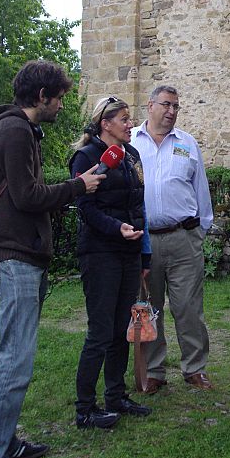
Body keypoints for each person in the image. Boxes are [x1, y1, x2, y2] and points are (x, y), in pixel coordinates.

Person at [0, 60, 104, 458]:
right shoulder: (14, 131)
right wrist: (77, 187)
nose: (63, 104)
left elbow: (19, 193)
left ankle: (2, 444)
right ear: (41, 96)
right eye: (60, 97)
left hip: (13, 253)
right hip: (14, 257)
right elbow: (27, 196)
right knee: (14, 361)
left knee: (5, 357)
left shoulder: (10, 128)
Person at [70, 96, 153, 428]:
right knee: (101, 331)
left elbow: (139, 207)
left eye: (130, 119)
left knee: (122, 329)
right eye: (124, 119)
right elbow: (85, 209)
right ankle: (85, 408)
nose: (130, 124)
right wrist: (116, 228)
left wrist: (143, 252)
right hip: (100, 253)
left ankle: (115, 397)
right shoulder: (86, 157)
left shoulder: (131, 155)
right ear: (105, 123)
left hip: (129, 253)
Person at [130, 85, 214, 393]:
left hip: (183, 238)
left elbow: (200, 189)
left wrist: (200, 231)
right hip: (146, 240)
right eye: (166, 104)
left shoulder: (187, 143)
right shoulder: (131, 143)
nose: (172, 111)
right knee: (149, 307)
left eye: (176, 106)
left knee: (189, 307)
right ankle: (154, 371)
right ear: (150, 105)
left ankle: (195, 368)